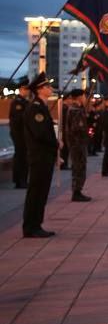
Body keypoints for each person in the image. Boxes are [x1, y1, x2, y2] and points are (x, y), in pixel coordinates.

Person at [21, 73, 59, 238]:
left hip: (44, 156)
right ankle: (31, 226)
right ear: (39, 89)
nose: (51, 89)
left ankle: (36, 224)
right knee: (36, 192)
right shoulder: (35, 108)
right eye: (47, 86)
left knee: (41, 192)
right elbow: (41, 133)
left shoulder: (41, 107)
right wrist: (56, 143)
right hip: (39, 156)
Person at [10, 78, 31, 189]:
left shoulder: (25, 102)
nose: (28, 91)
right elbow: (18, 119)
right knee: (21, 157)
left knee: (23, 157)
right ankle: (20, 180)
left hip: (24, 133)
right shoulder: (17, 102)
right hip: (19, 133)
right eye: (26, 89)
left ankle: (22, 179)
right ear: (21, 89)